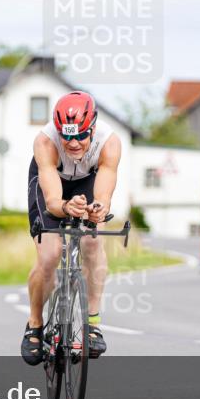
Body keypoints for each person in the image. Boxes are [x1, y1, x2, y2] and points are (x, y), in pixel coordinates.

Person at [22, 90, 122, 365]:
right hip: (50, 183)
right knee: (49, 255)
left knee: (92, 241)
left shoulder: (109, 142)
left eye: (80, 135)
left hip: (86, 181)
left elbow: (102, 196)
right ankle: (34, 323)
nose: (74, 142)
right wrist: (66, 207)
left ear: (92, 127)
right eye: (67, 136)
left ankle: (92, 323)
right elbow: (53, 201)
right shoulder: (45, 142)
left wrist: (96, 209)